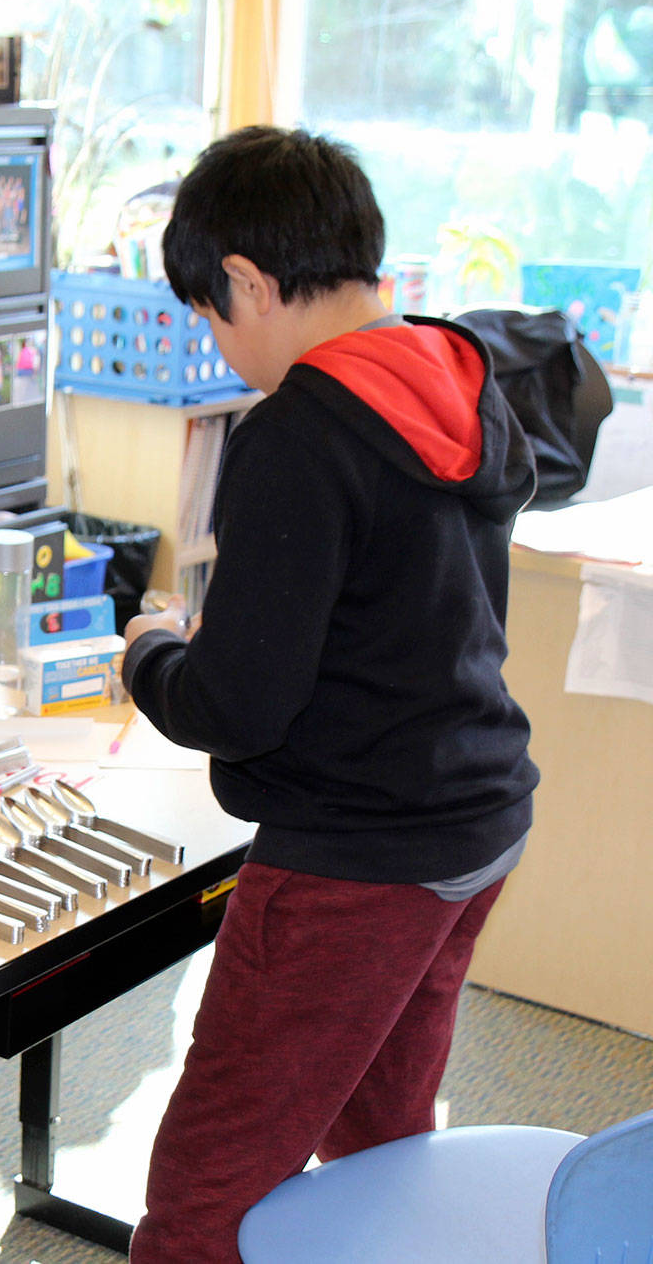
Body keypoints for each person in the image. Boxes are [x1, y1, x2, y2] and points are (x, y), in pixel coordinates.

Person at [122, 126, 539, 1264]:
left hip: (356, 856)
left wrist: (151, 656)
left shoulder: (299, 432)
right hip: (474, 813)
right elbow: (390, 613)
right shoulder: (453, 375)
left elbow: (240, 705)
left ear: (249, 283)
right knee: (379, 1137)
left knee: (208, 1186)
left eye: (210, 312)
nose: (215, 341)